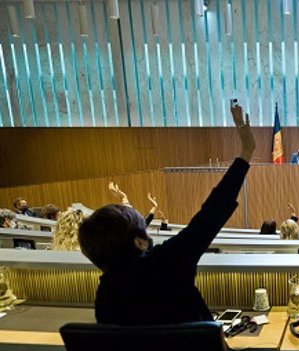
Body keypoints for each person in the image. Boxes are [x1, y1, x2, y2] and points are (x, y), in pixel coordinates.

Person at [77, 102, 255, 326]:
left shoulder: (106, 295)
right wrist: (247, 151)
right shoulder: (168, 262)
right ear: (140, 242)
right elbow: (212, 212)